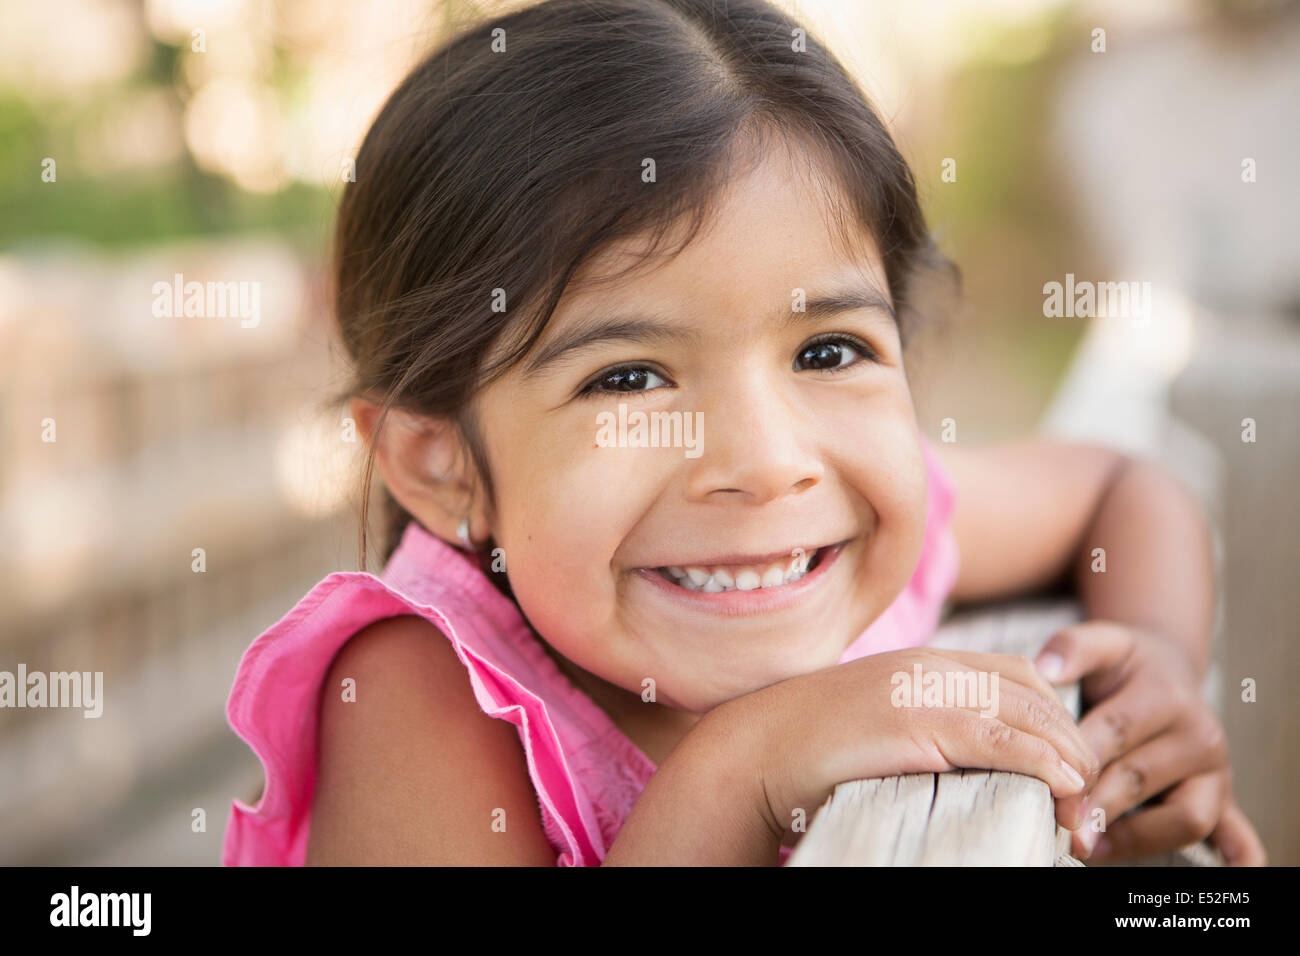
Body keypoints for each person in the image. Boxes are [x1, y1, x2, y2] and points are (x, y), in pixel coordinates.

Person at [222, 0, 1264, 866]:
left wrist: (1152, 673)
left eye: (827, 352)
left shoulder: (860, 531)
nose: (767, 462)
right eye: (627, 377)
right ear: (438, 465)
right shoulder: (422, 690)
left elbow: (1121, 490)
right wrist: (743, 769)